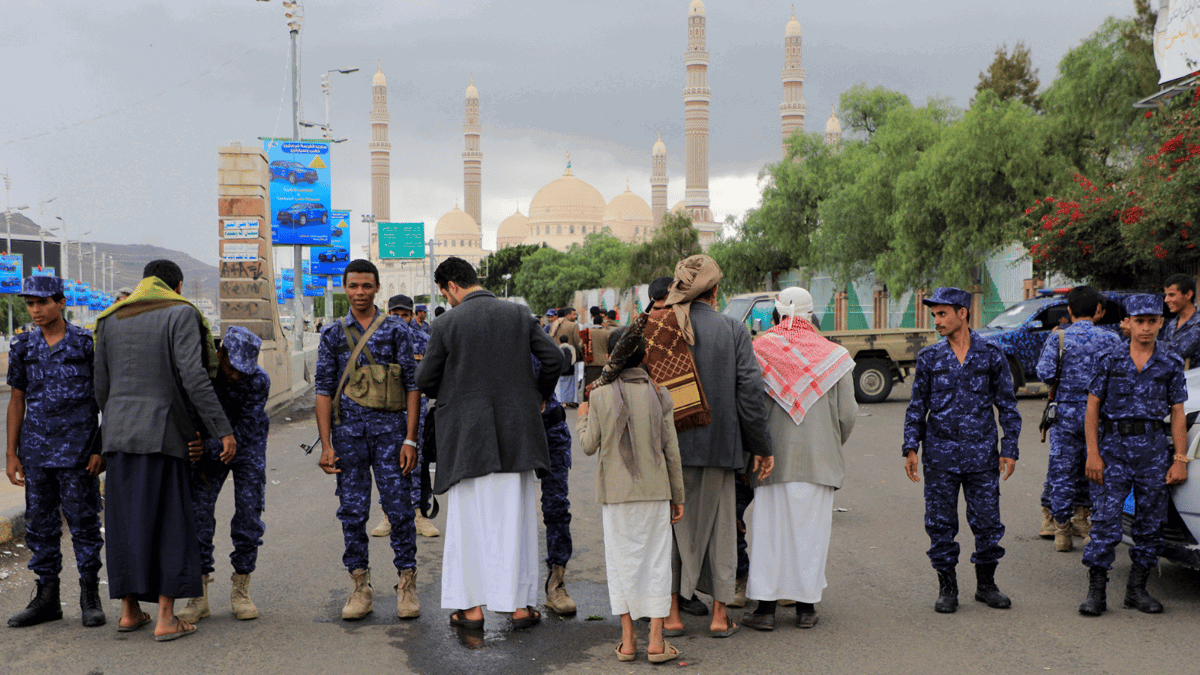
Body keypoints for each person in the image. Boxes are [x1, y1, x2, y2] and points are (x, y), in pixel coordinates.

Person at [415, 256, 562, 631]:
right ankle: (519, 608)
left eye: (445, 294)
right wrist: (537, 395)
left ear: (451, 286)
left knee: (468, 525)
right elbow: (554, 359)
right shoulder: (519, 315)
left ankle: (471, 610)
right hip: (518, 438)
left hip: (467, 440)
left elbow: (425, 379)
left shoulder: (446, 323)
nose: (447, 300)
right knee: (515, 522)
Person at [95, 259, 236, 641]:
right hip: (163, 434)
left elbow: (101, 387)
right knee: (170, 524)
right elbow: (194, 377)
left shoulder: (109, 318)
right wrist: (222, 430)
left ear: (144, 283)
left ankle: (129, 612)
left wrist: (112, 430)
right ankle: (165, 618)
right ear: (178, 287)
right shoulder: (180, 313)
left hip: (118, 435)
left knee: (125, 524)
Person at [647, 255, 773, 638]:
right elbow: (750, 392)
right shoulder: (732, 329)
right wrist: (761, 446)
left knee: (671, 530)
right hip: (720, 448)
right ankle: (719, 617)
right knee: (721, 530)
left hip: (669, 449)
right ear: (714, 290)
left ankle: (672, 616)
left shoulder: (658, 328)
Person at [742, 288, 857, 632]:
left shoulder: (759, 350)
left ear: (776, 315)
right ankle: (806, 610)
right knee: (811, 536)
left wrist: (751, 452)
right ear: (811, 315)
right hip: (819, 461)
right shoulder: (835, 356)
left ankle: (765, 610)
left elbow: (749, 407)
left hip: (771, 461)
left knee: (769, 536)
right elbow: (848, 415)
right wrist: (828, 443)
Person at [314, 260, 422, 621]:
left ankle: (406, 583)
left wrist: (411, 439)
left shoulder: (396, 330)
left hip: (391, 436)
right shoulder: (332, 334)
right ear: (345, 288)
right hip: (348, 437)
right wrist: (326, 445)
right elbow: (323, 390)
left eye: (366, 285)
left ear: (377, 287)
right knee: (352, 512)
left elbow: (412, 385)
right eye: (353, 286)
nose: (359, 292)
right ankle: (360, 586)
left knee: (400, 509)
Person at [903, 287, 1020, 614]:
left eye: (942, 314)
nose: (936, 321)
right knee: (940, 524)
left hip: (982, 456)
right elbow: (917, 407)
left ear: (962, 313)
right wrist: (910, 447)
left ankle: (986, 585)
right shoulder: (930, 358)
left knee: (988, 523)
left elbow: (1007, 405)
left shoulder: (991, 354)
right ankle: (947, 587)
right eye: (934, 315)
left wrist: (1009, 448)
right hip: (940, 457)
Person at [1079, 294, 1189, 616]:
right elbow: (1092, 407)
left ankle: (1137, 590)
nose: (1145, 328)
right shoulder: (1110, 358)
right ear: (1127, 322)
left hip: (1153, 452)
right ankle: (1096, 592)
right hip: (1113, 449)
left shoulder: (1169, 362)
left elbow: (1178, 412)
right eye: (1139, 321)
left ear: (1161, 323)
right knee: (1105, 522)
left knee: (1150, 525)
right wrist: (1093, 453)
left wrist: (1180, 458)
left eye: (1152, 321)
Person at [6, 275, 105, 628]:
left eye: (42, 302)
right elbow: (17, 399)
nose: (35, 310)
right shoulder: (22, 346)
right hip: (36, 453)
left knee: (84, 524)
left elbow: (105, 397)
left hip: (78, 452)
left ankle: (90, 597)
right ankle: (47, 599)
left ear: (61, 302)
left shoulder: (86, 344)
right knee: (40, 526)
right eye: (30, 304)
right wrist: (11, 454)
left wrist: (100, 448)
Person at [578, 335, 685, 664]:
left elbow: (588, 445)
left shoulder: (600, 395)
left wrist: (582, 416)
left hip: (616, 495)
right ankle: (656, 641)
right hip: (655, 492)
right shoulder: (660, 393)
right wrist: (678, 495)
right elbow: (671, 449)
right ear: (644, 357)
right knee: (657, 563)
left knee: (620, 564)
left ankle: (627, 642)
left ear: (612, 356)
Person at [176, 326, 271, 624]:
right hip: (208, 448)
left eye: (243, 370)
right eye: (232, 368)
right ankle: (198, 594)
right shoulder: (204, 375)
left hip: (246, 445)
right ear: (221, 354)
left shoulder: (259, 381)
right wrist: (199, 445)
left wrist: (209, 446)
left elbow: (246, 428)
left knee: (249, 514)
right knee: (198, 515)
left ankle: (241, 589)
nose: (237, 376)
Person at [1034, 286, 1123, 552]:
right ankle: (1089, 524)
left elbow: (1044, 373)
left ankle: (1061, 531)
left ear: (1069, 310)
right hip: (1098, 415)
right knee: (1095, 470)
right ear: (1098, 310)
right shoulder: (1111, 339)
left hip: (1065, 415)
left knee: (1062, 473)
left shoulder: (1059, 337)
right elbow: (1121, 376)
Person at [370, 294, 439, 539]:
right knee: (387, 463)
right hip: (386, 409)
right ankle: (388, 514)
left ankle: (420, 514)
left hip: (415, 408)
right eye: (395, 314)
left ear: (412, 316)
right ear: (388, 314)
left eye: (405, 315)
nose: (400, 319)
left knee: (417, 462)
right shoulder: (376, 340)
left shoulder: (425, 341)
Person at [1161, 273, 1200, 368]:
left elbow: (1176, 351)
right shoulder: (1172, 325)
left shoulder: (1198, 323)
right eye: (1166, 295)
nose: (1166, 300)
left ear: (1188, 294)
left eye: (1171, 295)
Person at [556, 335, 578, 405]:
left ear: (559, 341)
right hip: (570, 370)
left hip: (560, 371)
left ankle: (563, 402)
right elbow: (574, 359)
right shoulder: (572, 348)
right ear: (568, 341)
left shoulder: (558, 348)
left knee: (561, 387)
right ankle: (570, 401)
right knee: (570, 386)